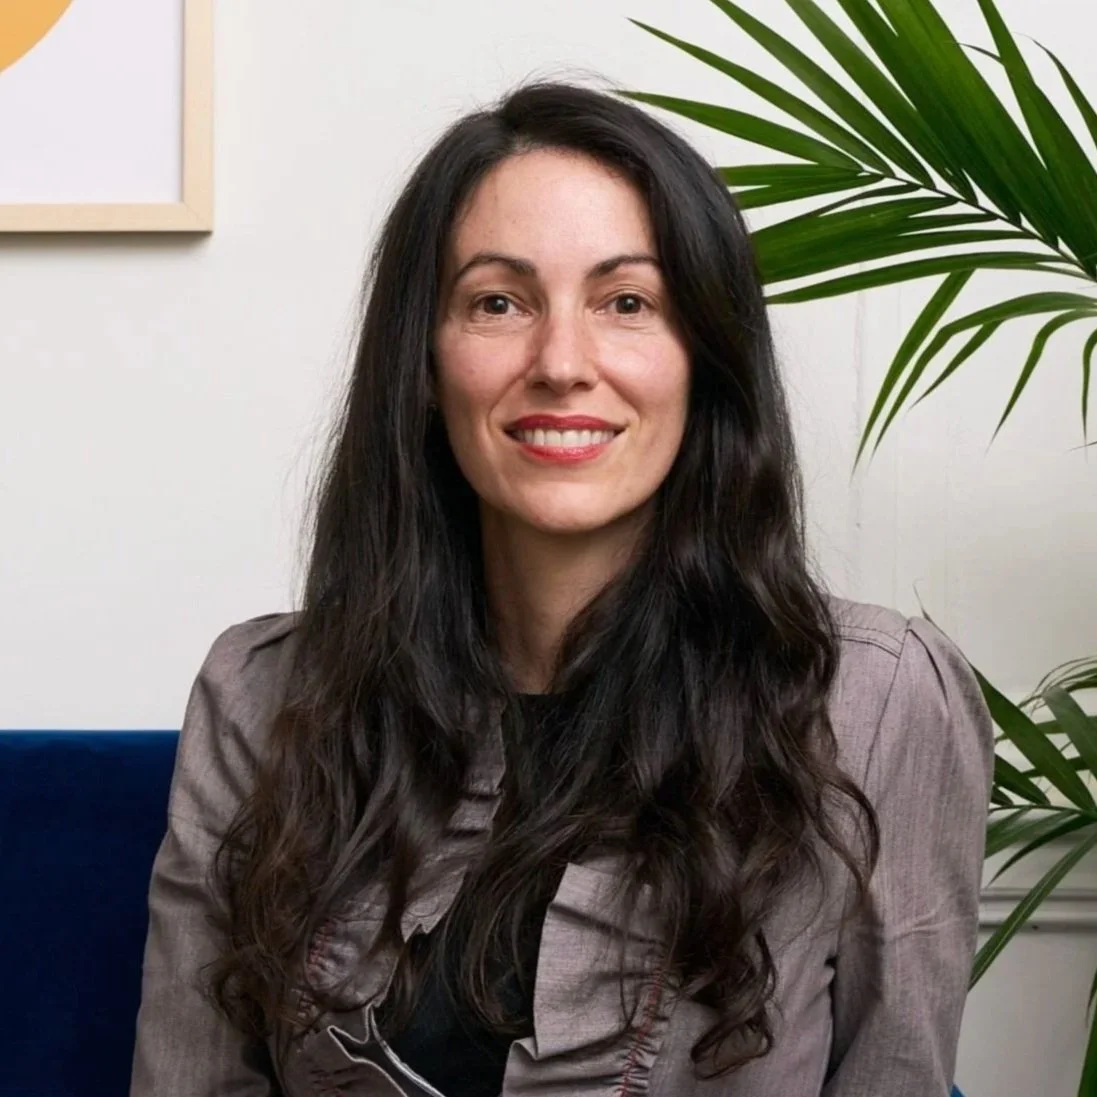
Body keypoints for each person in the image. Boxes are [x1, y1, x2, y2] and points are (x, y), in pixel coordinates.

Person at [129, 79, 995, 1097]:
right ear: (423, 359)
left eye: (626, 302)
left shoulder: (877, 698)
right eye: (497, 302)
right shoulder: (259, 695)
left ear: (703, 358)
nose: (560, 363)